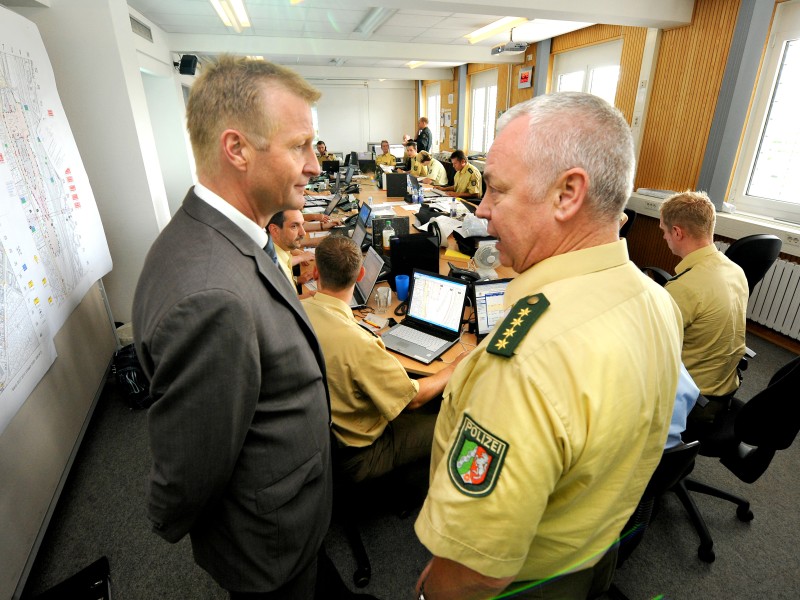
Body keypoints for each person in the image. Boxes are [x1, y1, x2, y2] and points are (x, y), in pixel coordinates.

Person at [414, 92, 683, 600]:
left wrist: (431, 595)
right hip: (597, 552)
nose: (484, 211)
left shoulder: (527, 360)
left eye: (496, 190)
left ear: (567, 194)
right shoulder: (656, 300)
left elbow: (478, 568)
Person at [132, 56, 333, 599]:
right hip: (270, 546)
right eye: (300, 146)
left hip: (290, 512)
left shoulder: (219, 234)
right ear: (237, 149)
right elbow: (191, 464)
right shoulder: (212, 295)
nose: (315, 164)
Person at [301, 235, 467, 483]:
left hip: (321, 434)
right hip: (359, 454)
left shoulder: (298, 310)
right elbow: (413, 399)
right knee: (457, 418)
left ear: (315, 271)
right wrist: (455, 366)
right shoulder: (360, 344)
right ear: (360, 275)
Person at [659, 191, 748, 428]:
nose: (665, 238)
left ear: (677, 232)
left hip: (693, 403)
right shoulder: (735, 270)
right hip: (725, 389)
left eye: (664, 232)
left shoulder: (685, 287)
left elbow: (649, 347)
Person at [267, 209, 316, 294]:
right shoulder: (273, 264)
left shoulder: (282, 250)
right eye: (294, 226)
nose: (303, 233)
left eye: (302, 225)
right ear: (275, 230)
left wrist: (296, 280)